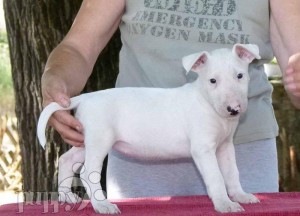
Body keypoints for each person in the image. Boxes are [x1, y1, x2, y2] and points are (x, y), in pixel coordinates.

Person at [41, 0, 300, 199]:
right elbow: (78, 47)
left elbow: (295, 57)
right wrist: (57, 79)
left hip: (241, 151)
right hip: (141, 153)